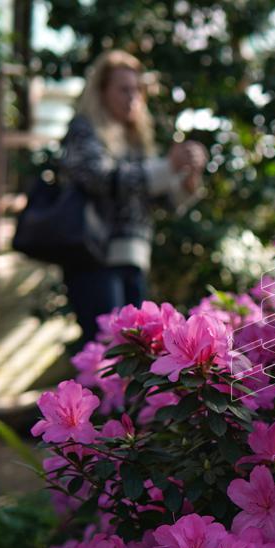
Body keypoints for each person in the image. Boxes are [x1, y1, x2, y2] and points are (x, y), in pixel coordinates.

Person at [59, 49, 208, 344]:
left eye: (137, 90)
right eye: (124, 89)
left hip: (134, 259)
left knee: (133, 353)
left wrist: (189, 178)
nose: (133, 97)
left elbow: (160, 202)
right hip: (95, 259)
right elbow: (101, 178)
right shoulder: (84, 129)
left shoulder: (136, 139)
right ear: (101, 91)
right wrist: (167, 167)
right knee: (105, 353)